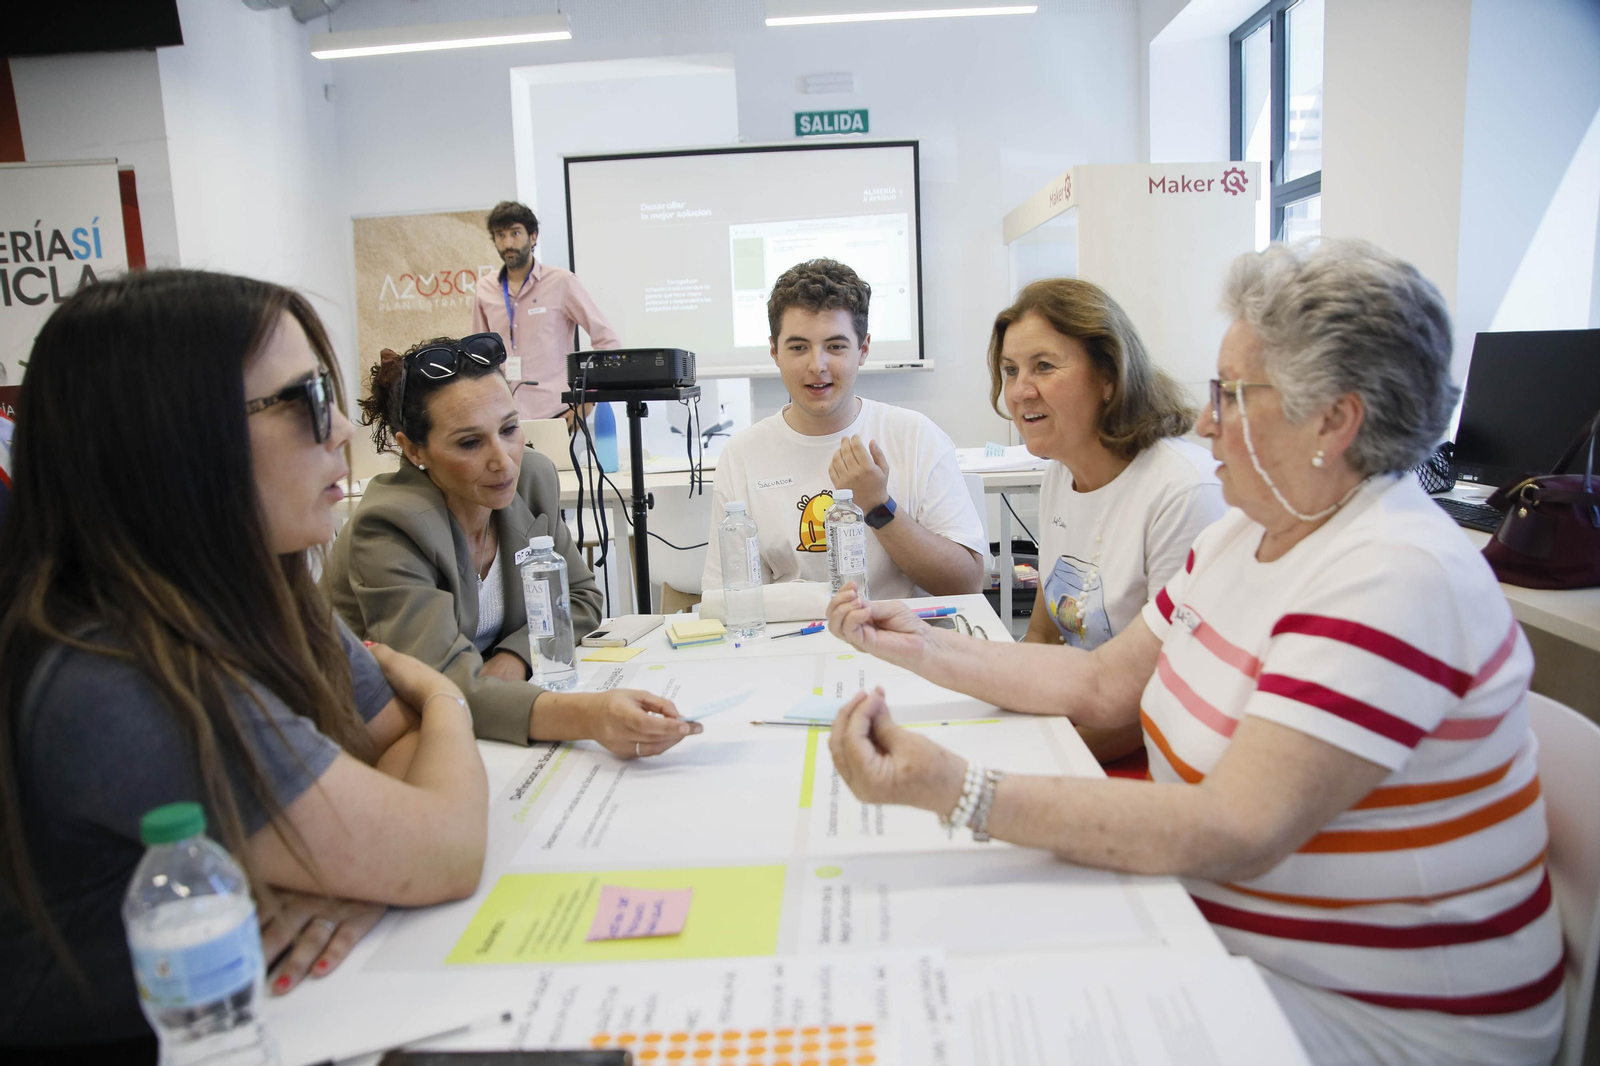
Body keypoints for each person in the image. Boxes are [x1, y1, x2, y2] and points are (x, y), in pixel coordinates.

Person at [824, 241, 1563, 1066]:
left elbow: (1231, 828)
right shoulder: (1252, 529)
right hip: (1226, 936)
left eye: (1235, 396)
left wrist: (955, 788)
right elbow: (1104, 683)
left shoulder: (1395, 573)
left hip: (1380, 1019)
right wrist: (923, 644)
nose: (1206, 419)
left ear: (1335, 420)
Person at [0, 270, 490, 1059]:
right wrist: (445, 701)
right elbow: (446, 846)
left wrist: (355, 865)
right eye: (303, 402)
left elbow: (390, 745)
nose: (339, 433)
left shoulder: (261, 589)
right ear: (173, 438)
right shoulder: (114, 676)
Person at [323, 333, 699, 759]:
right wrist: (590, 717)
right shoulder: (389, 527)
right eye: (469, 442)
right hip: (371, 738)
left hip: (486, 716)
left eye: (509, 429)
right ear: (412, 450)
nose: (503, 460)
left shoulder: (532, 478)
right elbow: (441, 685)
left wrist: (514, 657)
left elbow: (581, 598)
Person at [992, 278, 1225, 765]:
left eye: (1044, 367)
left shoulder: (1182, 490)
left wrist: (1035, 759)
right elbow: (1043, 635)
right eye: (1010, 370)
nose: (1019, 391)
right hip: (1080, 728)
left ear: (1109, 377)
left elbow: (1169, 697)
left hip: (1152, 754)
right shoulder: (1060, 473)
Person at [703, 258, 986, 599]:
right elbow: (729, 597)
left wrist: (878, 506)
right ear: (774, 352)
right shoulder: (743, 454)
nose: (816, 366)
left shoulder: (915, 437)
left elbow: (966, 583)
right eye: (798, 348)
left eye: (835, 347)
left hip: (900, 641)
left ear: (863, 350)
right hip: (791, 643)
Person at [469, 200, 620, 426]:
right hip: (505, 419)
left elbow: (607, 341)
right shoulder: (485, 288)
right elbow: (477, 358)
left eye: (515, 233)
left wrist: (589, 398)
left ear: (533, 237)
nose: (508, 242)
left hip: (559, 413)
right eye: (500, 235)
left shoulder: (561, 282)